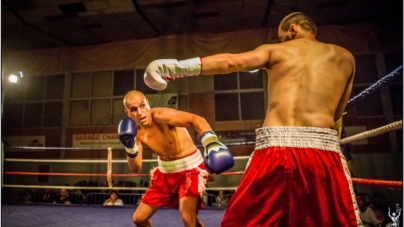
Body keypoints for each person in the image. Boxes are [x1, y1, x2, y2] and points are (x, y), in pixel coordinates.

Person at [143, 12, 362, 227]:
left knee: (246, 220)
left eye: (282, 37)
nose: (281, 41)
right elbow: (336, 116)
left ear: (293, 30)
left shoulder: (276, 51)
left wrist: (176, 68)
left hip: (276, 149)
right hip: (323, 152)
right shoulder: (345, 57)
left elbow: (230, 62)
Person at [118, 90, 234, 227]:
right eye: (133, 109)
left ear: (148, 104)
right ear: (128, 113)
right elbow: (136, 167)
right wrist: (130, 147)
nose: (140, 112)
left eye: (142, 106)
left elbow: (196, 120)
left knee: (188, 218)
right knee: (139, 218)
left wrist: (211, 142)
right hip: (165, 174)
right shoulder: (134, 131)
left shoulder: (161, 115)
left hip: (190, 171)